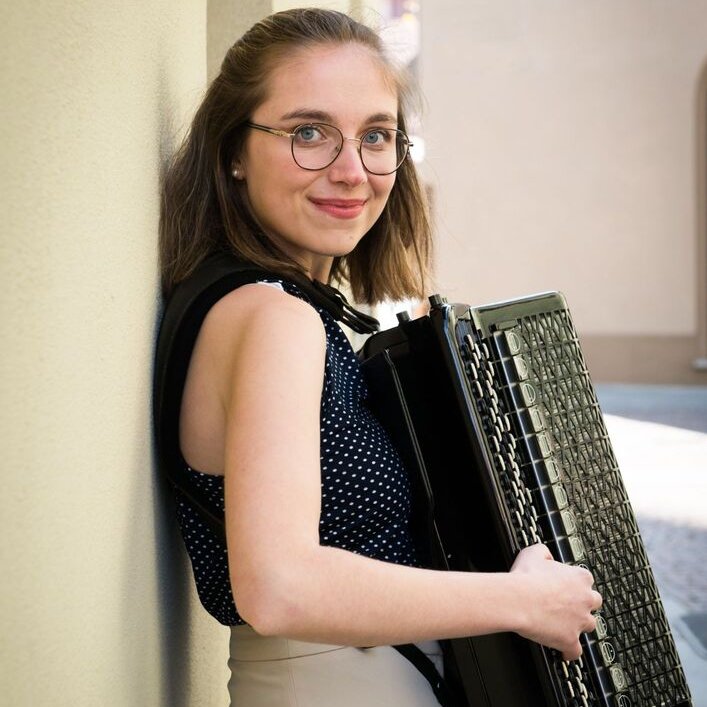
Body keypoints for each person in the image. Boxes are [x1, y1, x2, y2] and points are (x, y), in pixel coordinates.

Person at [156, 8, 602, 706]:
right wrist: (521, 601)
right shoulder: (275, 318)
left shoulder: (262, 305)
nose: (351, 171)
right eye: (308, 132)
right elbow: (278, 588)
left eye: (375, 136)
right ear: (232, 151)